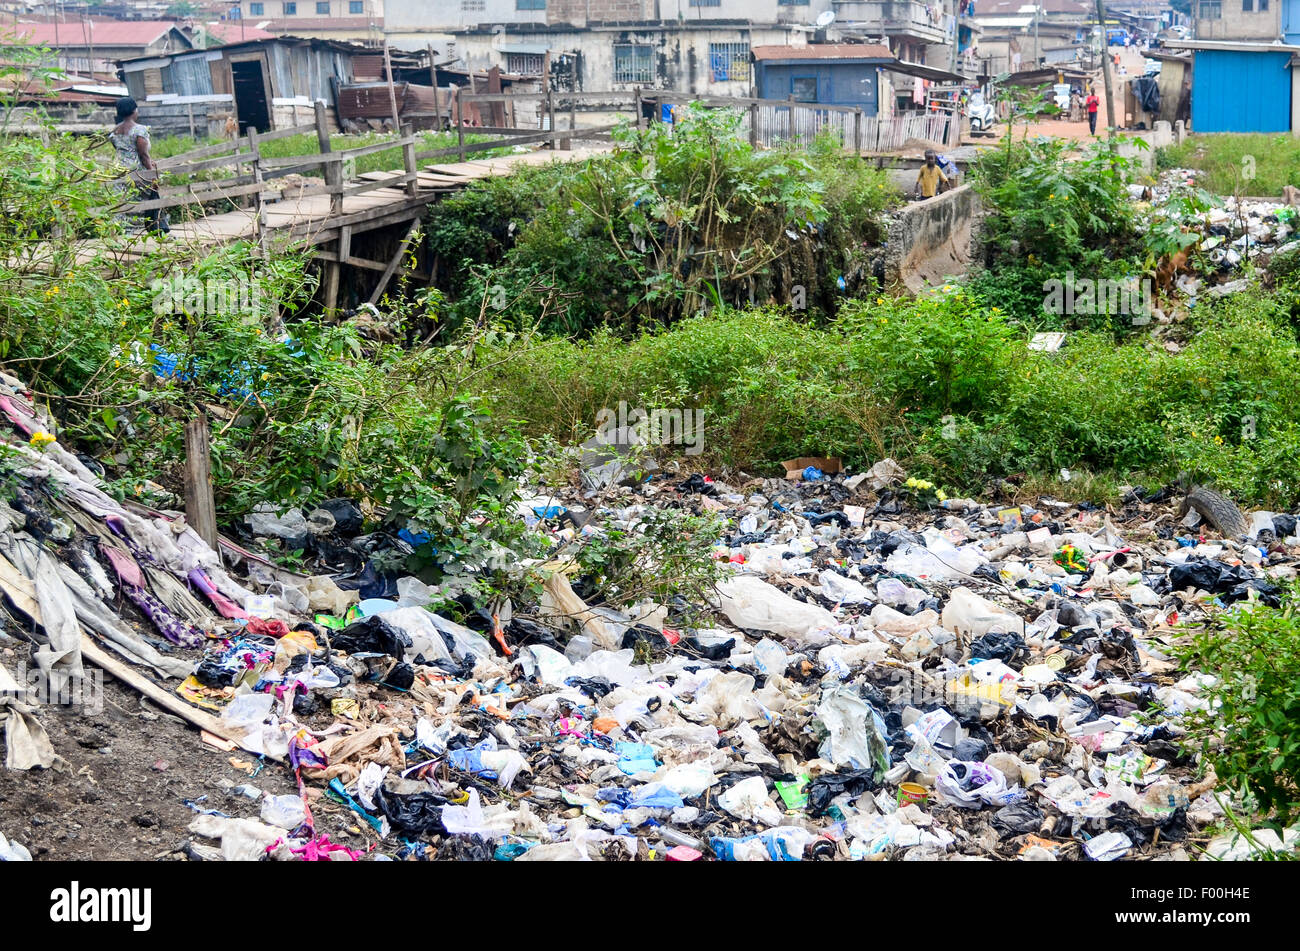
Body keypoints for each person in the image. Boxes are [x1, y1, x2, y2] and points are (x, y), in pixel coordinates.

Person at [108, 96, 169, 235]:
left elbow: (119, 149)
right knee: (152, 200)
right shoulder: (139, 130)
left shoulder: (114, 131)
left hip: (119, 170)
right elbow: (143, 155)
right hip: (138, 172)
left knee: (122, 203)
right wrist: (152, 175)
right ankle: (158, 230)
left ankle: (122, 235)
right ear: (134, 111)